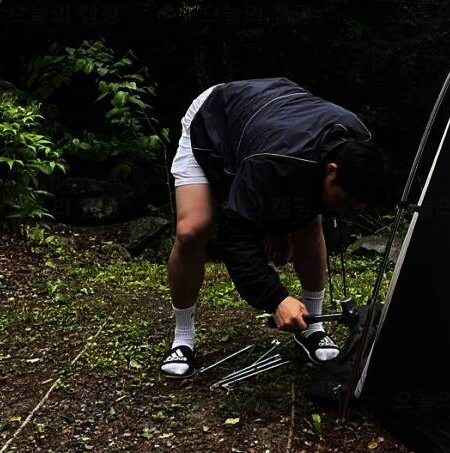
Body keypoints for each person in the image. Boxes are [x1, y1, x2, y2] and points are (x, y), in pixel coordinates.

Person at [161, 77, 392, 378]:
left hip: (271, 124)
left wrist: (282, 228)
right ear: (332, 171)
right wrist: (276, 299)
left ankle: (313, 325)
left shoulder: (356, 139)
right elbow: (236, 237)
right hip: (214, 121)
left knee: (310, 221)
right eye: (344, 201)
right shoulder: (274, 161)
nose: (343, 211)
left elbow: (303, 189)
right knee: (192, 230)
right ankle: (183, 337)